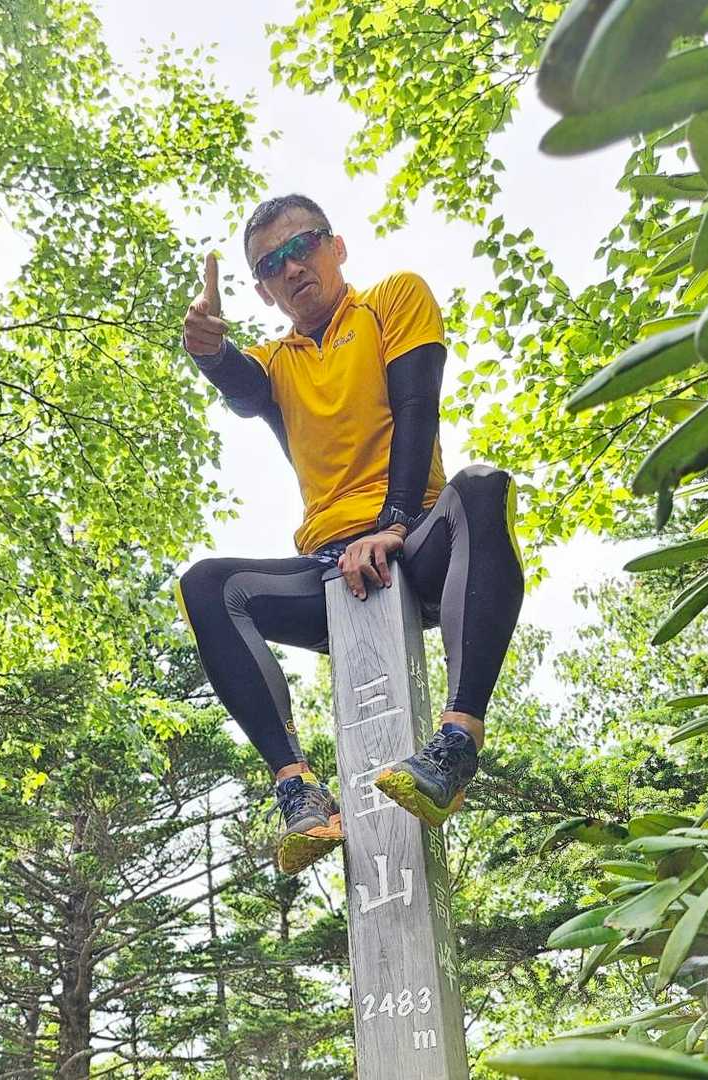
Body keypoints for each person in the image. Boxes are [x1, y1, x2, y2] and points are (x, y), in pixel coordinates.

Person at [175, 194, 524, 875]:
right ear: (263, 291)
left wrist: (394, 525)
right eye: (271, 264)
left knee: (483, 486)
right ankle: (298, 790)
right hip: (330, 569)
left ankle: (456, 745)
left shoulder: (394, 299)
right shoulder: (277, 361)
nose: (292, 267)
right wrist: (210, 353)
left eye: (302, 246)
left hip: (420, 539)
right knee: (206, 586)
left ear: (336, 247)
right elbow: (244, 386)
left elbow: (417, 405)